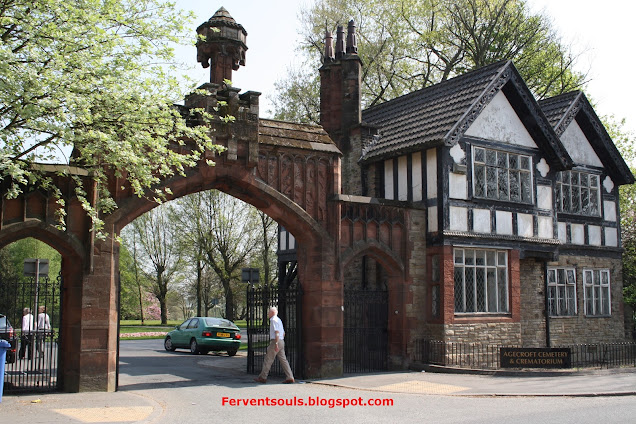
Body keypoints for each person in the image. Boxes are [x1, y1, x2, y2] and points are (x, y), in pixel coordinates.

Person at [254, 306, 294, 384]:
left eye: (269, 312)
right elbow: (283, 333)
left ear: (272, 313)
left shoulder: (273, 320)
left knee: (268, 359)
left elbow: (277, 332)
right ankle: (290, 376)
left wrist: (276, 343)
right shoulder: (279, 320)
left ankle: (263, 377)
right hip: (281, 341)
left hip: (276, 341)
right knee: (283, 360)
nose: (268, 314)